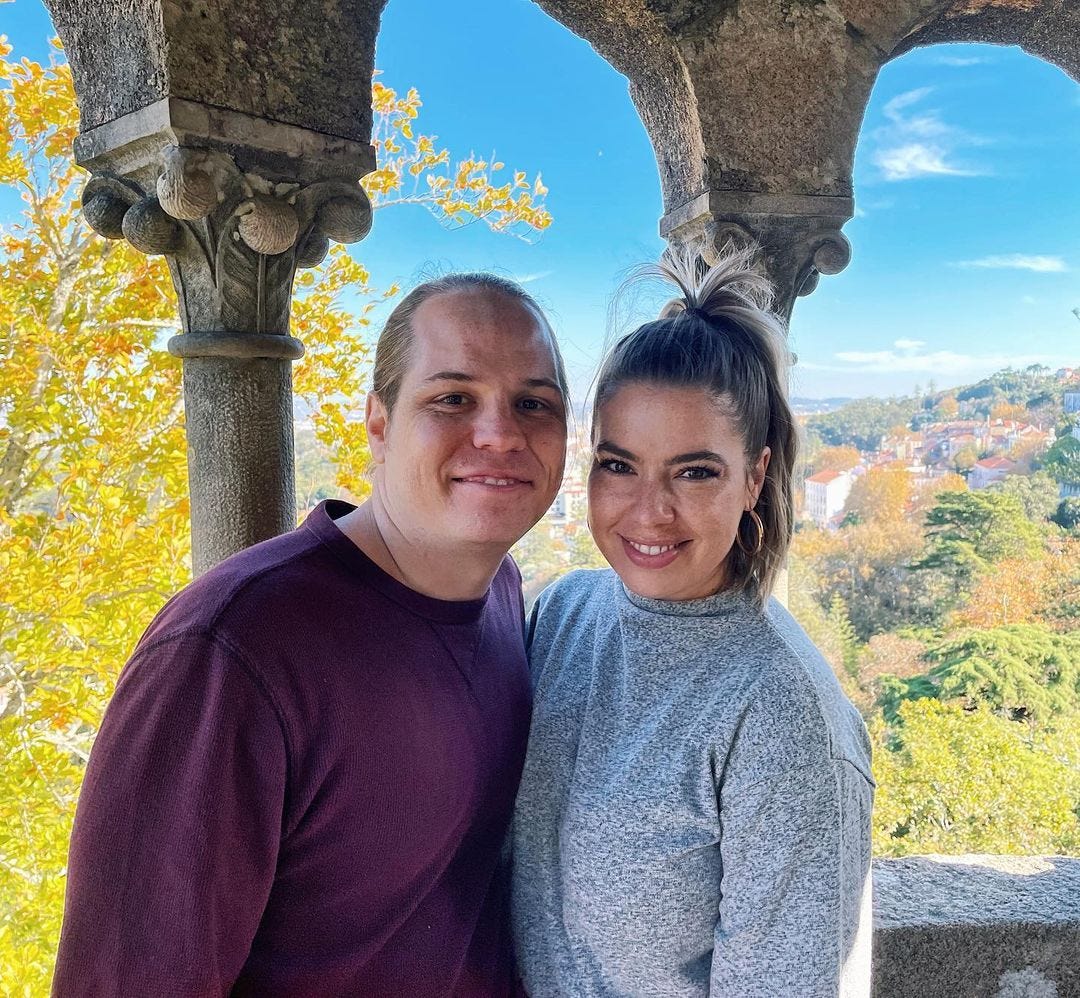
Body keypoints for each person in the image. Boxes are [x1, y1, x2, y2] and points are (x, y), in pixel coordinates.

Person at [53, 273, 569, 997]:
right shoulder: (233, 648)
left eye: (534, 404)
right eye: (452, 397)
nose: (501, 433)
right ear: (379, 425)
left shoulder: (503, 597)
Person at [511, 248, 874, 997]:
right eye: (619, 464)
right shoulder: (564, 615)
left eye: (695, 471)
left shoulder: (779, 712)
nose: (650, 511)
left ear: (756, 477)